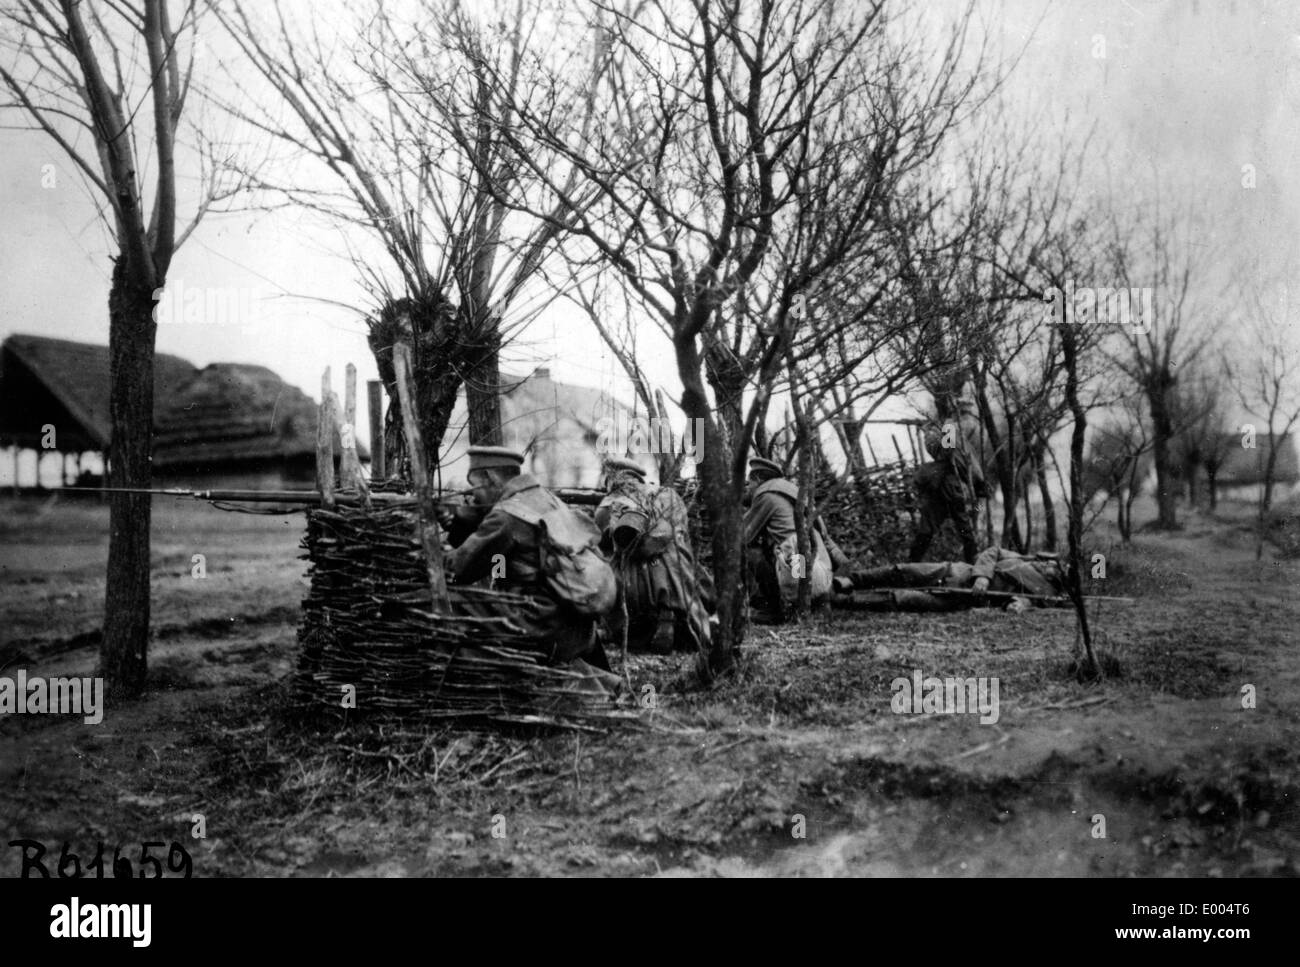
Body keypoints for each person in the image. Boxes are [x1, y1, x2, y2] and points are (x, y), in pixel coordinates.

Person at [436, 446, 615, 675]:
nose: (473, 496)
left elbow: (459, 570)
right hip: (574, 624)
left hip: (540, 624)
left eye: (475, 487)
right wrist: (458, 525)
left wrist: (432, 553)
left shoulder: (506, 515)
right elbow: (498, 558)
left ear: (490, 478)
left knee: (451, 601)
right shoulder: (545, 499)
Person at [594, 457, 713, 654]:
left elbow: (599, 541)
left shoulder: (610, 502)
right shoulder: (668, 495)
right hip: (679, 579)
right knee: (681, 556)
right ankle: (670, 617)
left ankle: (618, 629)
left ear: (611, 479)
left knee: (604, 566)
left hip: (634, 587)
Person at [742, 456, 848, 620]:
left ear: (758, 479)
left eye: (749, 484)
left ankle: (772, 609)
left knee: (747, 552)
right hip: (820, 565)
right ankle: (814, 605)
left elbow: (743, 537)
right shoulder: (791, 491)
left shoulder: (765, 495)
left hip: (800, 564)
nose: (748, 489)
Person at [835, 546, 1067, 611]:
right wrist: (983, 577)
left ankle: (840, 602)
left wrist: (1020, 604)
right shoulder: (1020, 559)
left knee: (901, 599)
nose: (1049, 566)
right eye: (1050, 562)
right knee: (902, 571)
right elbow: (991, 552)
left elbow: (1021, 604)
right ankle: (851, 581)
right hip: (953, 572)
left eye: (1056, 569)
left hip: (959, 599)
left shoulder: (1045, 595)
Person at [910, 422, 988, 565]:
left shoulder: (951, 441)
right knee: (930, 530)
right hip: (944, 491)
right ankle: (911, 564)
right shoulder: (940, 466)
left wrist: (976, 509)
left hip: (951, 491)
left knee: (964, 530)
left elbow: (949, 449)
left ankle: (973, 564)